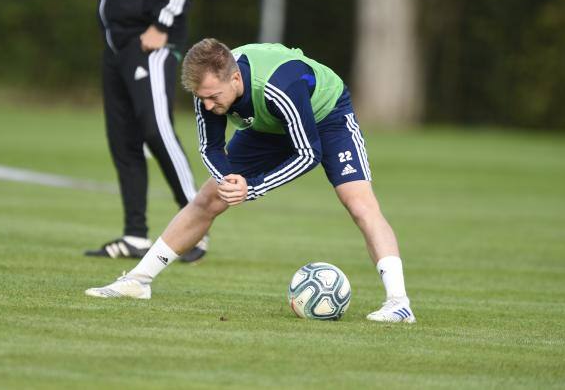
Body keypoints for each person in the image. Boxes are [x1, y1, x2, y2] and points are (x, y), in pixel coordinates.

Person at [85, 39, 416, 323]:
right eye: (202, 98)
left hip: (326, 118)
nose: (208, 105)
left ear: (235, 77)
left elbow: (308, 153)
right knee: (207, 198)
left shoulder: (279, 86)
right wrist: (227, 181)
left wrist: (253, 187)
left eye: (214, 96)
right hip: (265, 126)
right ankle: (138, 281)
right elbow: (210, 147)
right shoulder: (208, 93)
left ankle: (399, 304)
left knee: (360, 205)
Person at [85, 0, 207, 262]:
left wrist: (161, 25)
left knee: (157, 130)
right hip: (115, 44)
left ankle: (196, 228)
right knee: (122, 139)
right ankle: (135, 234)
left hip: (149, 43)